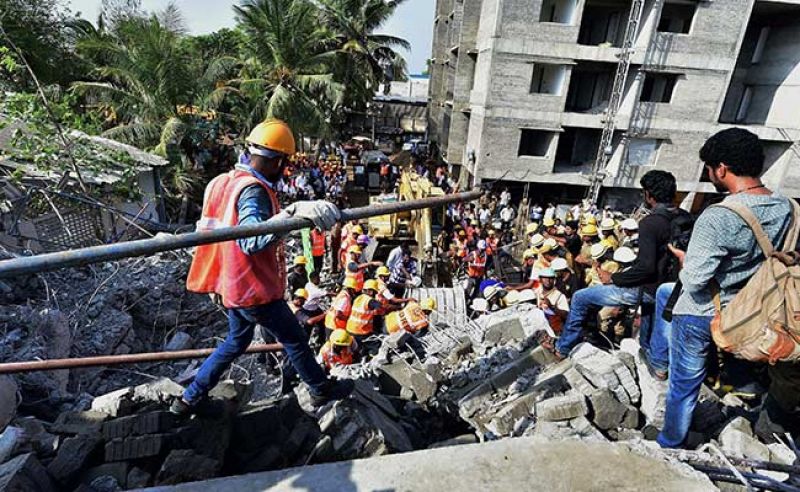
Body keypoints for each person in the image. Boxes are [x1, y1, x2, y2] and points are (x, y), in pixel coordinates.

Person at [178, 119, 352, 415]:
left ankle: (189, 398)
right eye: (284, 164)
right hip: (253, 289)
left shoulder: (225, 182)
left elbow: (213, 233)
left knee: (236, 341)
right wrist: (292, 213)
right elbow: (250, 240)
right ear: (278, 160)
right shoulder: (253, 191)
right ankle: (320, 389)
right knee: (295, 338)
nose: (285, 171)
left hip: (232, 284)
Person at [657, 128, 797, 448]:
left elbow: (694, 282)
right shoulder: (790, 208)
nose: (710, 175)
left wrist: (684, 259)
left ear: (721, 169)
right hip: (759, 314)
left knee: (683, 386)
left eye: (709, 169)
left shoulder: (719, 215)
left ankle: (670, 443)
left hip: (706, 313)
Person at [554, 170, 679, 359]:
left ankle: (562, 348)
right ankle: (653, 361)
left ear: (649, 194)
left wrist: (613, 278)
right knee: (649, 327)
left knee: (580, 298)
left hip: (646, 289)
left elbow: (646, 267)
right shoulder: (684, 218)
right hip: (669, 290)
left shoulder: (651, 223)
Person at [346, 279, 383, 346]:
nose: (375, 295)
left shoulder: (358, 298)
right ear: (371, 292)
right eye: (375, 293)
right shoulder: (370, 300)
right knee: (377, 344)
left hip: (350, 329)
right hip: (361, 332)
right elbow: (380, 308)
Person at [535, 268, 570, 334]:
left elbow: (566, 315)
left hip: (553, 329)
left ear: (554, 280)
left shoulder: (560, 296)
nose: (548, 281)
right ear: (540, 279)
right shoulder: (537, 292)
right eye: (545, 278)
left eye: (550, 278)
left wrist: (551, 306)